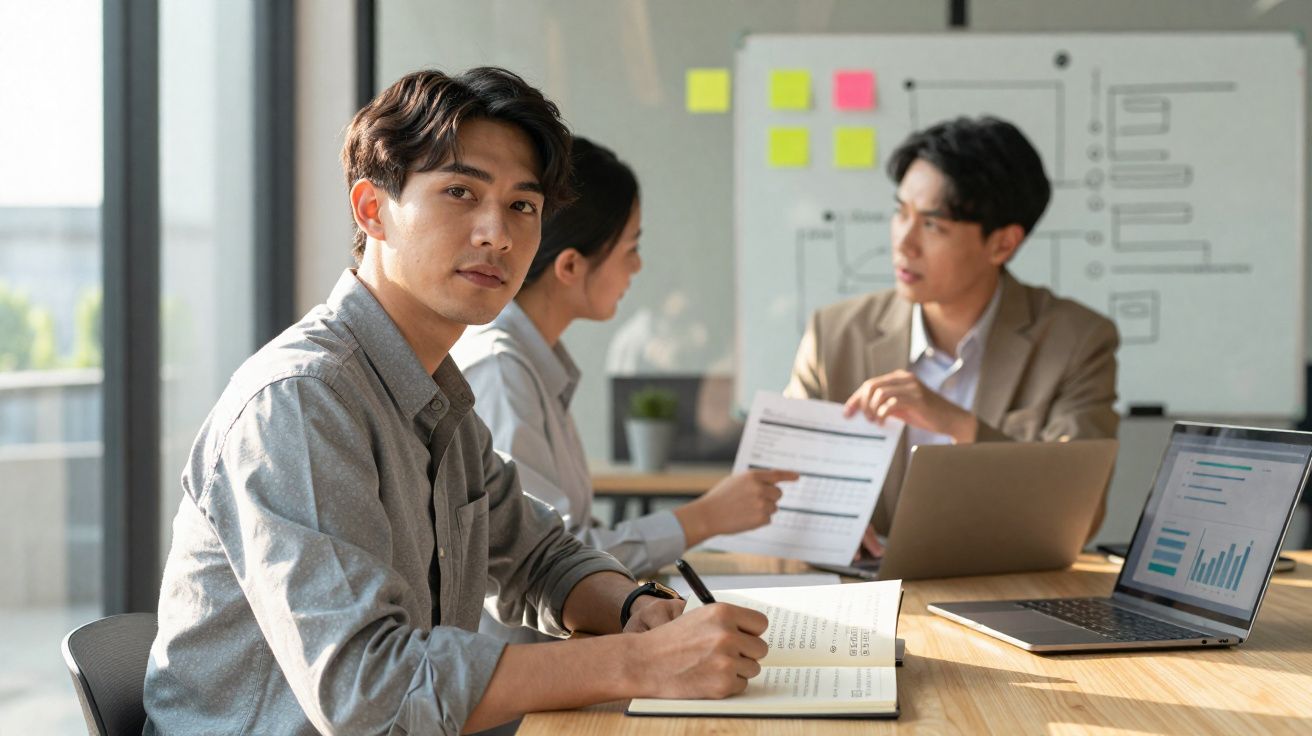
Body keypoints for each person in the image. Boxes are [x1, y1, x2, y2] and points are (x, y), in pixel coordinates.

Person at [143, 68, 770, 736]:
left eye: (522, 206)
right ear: (371, 209)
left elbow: (539, 557)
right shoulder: (300, 403)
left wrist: (631, 606)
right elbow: (370, 690)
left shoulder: (436, 398)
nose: (496, 233)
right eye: (459, 192)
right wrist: (639, 662)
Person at [451, 138, 794, 643]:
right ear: (570, 267)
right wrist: (706, 516)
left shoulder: (535, 365)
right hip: (533, 683)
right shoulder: (501, 371)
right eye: (630, 248)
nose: (637, 268)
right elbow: (552, 556)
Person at [784, 116, 1119, 556]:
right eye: (901, 212)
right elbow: (779, 480)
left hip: (998, 592)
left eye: (931, 225)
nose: (904, 243)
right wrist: (823, 520)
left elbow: (1080, 514)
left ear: (1002, 244)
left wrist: (958, 425)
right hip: (855, 591)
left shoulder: (1077, 341)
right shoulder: (834, 335)